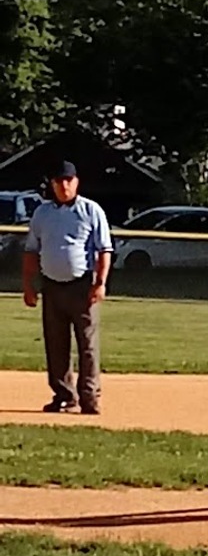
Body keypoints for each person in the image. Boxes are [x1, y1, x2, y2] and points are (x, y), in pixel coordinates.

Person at [22, 160, 113, 415]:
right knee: (55, 344)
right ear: (52, 184)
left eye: (68, 180)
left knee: (88, 345)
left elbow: (104, 250)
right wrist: (28, 286)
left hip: (82, 286)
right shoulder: (43, 213)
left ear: (76, 182)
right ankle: (63, 395)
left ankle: (89, 398)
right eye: (59, 181)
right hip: (51, 286)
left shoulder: (91, 210)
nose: (64, 185)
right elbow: (31, 250)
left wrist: (100, 283)